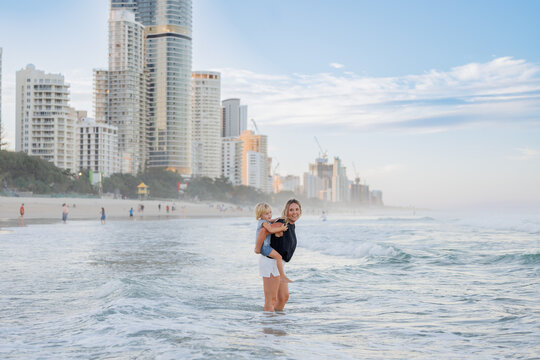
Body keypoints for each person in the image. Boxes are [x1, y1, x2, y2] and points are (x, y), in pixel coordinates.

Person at [258, 199, 301, 312]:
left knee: (283, 298)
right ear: (286, 211)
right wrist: (257, 249)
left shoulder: (291, 224)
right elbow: (263, 231)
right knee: (271, 300)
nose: (294, 212)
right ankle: (268, 327)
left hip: (279, 264)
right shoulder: (282, 223)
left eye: (297, 209)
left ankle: (277, 324)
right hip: (270, 262)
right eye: (291, 210)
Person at [254, 202, 291, 284]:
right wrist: (281, 229)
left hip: (266, 246)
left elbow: (270, 220)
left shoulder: (265, 220)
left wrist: (275, 219)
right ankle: (282, 276)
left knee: (278, 257)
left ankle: (281, 275)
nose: (269, 215)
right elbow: (270, 230)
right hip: (264, 247)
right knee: (278, 257)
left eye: (270, 212)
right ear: (260, 215)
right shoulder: (263, 223)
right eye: (266, 214)